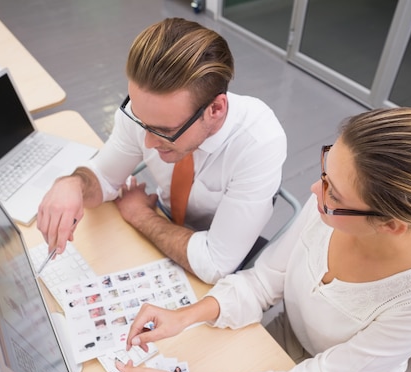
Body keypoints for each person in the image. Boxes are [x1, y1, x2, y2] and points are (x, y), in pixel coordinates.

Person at [113, 107, 411, 372]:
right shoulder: (330, 211)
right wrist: (184, 316)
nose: (316, 189)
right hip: (285, 339)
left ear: (391, 225)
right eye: (326, 171)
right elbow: (263, 282)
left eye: (334, 192)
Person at [37, 18, 287, 284]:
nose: (147, 143)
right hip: (168, 235)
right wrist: (73, 183)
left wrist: (141, 215)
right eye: (140, 121)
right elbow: (106, 177)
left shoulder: (260, 141)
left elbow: (216, 263)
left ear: (215, 109)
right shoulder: (146, 111)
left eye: (164, 131)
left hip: (214, 258)